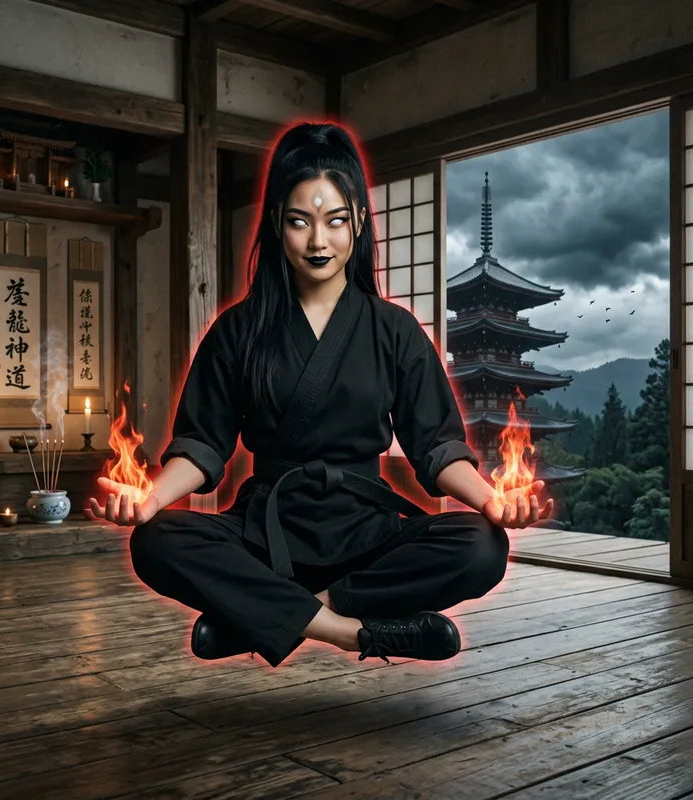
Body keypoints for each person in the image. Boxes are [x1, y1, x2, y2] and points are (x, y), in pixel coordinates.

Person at [88, 121, 554, 669]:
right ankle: (351, 632)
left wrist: (493, 502)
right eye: (298, 223)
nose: (318, 242)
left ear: (358, 220)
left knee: (482, 547)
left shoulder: (395, 330)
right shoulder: (239, 330)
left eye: (334, 221)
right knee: (156, 541)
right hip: (267, 529)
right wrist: (148, 501)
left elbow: (437, 447)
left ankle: (268, 617)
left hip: (367, 530)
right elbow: (202, 444)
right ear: (276, 226)